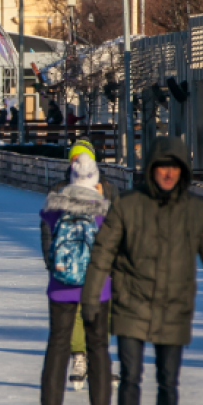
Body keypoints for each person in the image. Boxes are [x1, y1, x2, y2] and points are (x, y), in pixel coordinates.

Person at [80, 136, 203, 405]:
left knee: (168, 380)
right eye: (162, 167)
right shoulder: (128, 205)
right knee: (132, 377)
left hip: (174, 306)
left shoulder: (196, 211)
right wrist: (91, 298)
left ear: (183, 172)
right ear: (151, 169)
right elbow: (102, 253)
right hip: (132, 302)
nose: (168, 173)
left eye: (174, 168)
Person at [39, 139, 120, 390]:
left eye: (82, 158)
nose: (78, 162)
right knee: (74, 312)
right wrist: (50, 259)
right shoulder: (60, 189)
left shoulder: (106, 187)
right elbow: (47, 228)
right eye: (74, 158)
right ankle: (79, 357)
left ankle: (100, 361)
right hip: (69, 263)